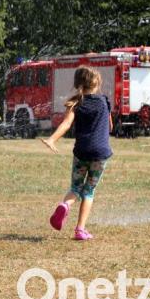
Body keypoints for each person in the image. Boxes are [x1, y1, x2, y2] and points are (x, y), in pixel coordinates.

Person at [41, 66, 113, 241]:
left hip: (81, 152)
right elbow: (110, 126)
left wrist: (52, 140)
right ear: (97, 83)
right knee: (88, 191)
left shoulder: (76, 103)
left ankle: (65, 205)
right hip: (100, 153)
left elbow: (65, 125)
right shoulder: (104, 101)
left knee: (75, 188)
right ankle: (80, 229)